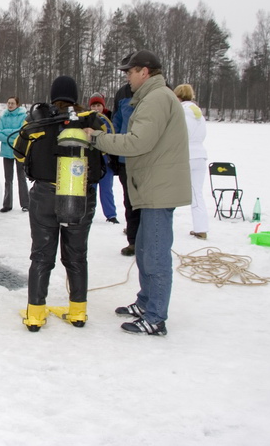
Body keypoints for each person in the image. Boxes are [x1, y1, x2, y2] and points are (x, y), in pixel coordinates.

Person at [84, 50, 191, 336]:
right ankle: (145, 302)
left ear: (145, 72)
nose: (127, 78)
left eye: (129, 72)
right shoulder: (151, 97)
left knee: (155, 255)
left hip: (159, 189)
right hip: (151, 186)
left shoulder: (156, 99)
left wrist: (98, 139)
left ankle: (155, 317)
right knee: (144, 250)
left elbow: (138, 142)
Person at [14, 76, 107, 332]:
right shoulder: (92, 120)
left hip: (45, 194)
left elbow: (18, 152)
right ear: (76, 96)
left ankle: (35, 314)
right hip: (80, 194)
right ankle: (78, 311)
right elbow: (107, 147)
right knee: (77, 256)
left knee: (42, 255)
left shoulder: (38, 119)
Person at [175, 84, 209, 240]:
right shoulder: (198, 113)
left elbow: (179, 134)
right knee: (197, 193)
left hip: (185, 155)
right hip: (200, 155)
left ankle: (161, 225)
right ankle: (201, 228)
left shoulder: (180, 111)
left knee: (170, 191)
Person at [111, 75, 140, 255]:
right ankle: (134, 241)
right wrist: (113, 151)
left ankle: (150, 242)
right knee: (129, 201)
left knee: (150, 205)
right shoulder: (122, 93)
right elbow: (117, 122)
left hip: (148, 159)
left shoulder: (160, 91)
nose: (128, 76)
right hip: (125, 159)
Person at [88, 92, 119, 224]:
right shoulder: (87, 119)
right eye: (93, 105)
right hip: (92, 159)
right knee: (91, 188)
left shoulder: (109, 119)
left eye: (98, 105)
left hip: (106, 158)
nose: (96, 108)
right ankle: (88, 212)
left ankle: (111, 214)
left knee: (106, 188)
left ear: (103, 106)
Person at [0, 96, 29, 213]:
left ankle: (25, 204)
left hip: (19, 151)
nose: (10, 105)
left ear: (17, 105)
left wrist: (7, 133)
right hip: (6, 151)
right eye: (9, 103)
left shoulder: (23, 116)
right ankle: (7, 204)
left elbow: (21, 132)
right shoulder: (3, 116)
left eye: (12, 103)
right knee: (8, 179)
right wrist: (11, 134)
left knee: (22, 178)